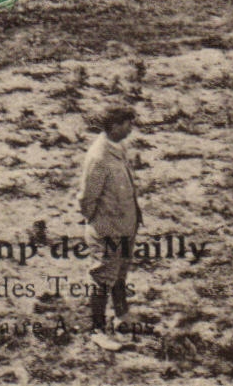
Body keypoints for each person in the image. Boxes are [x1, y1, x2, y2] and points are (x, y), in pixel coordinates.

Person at [78, 106, 141, 351]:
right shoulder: (99, 156)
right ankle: (97, 329)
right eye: (127, 123)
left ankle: (122, 316)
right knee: (103, 276)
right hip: (107, 228)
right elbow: (86, 198)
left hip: (125, 225)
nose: (130, 128)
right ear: (114, 126)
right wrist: (99, 225)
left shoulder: (118, 148)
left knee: (121, 272)